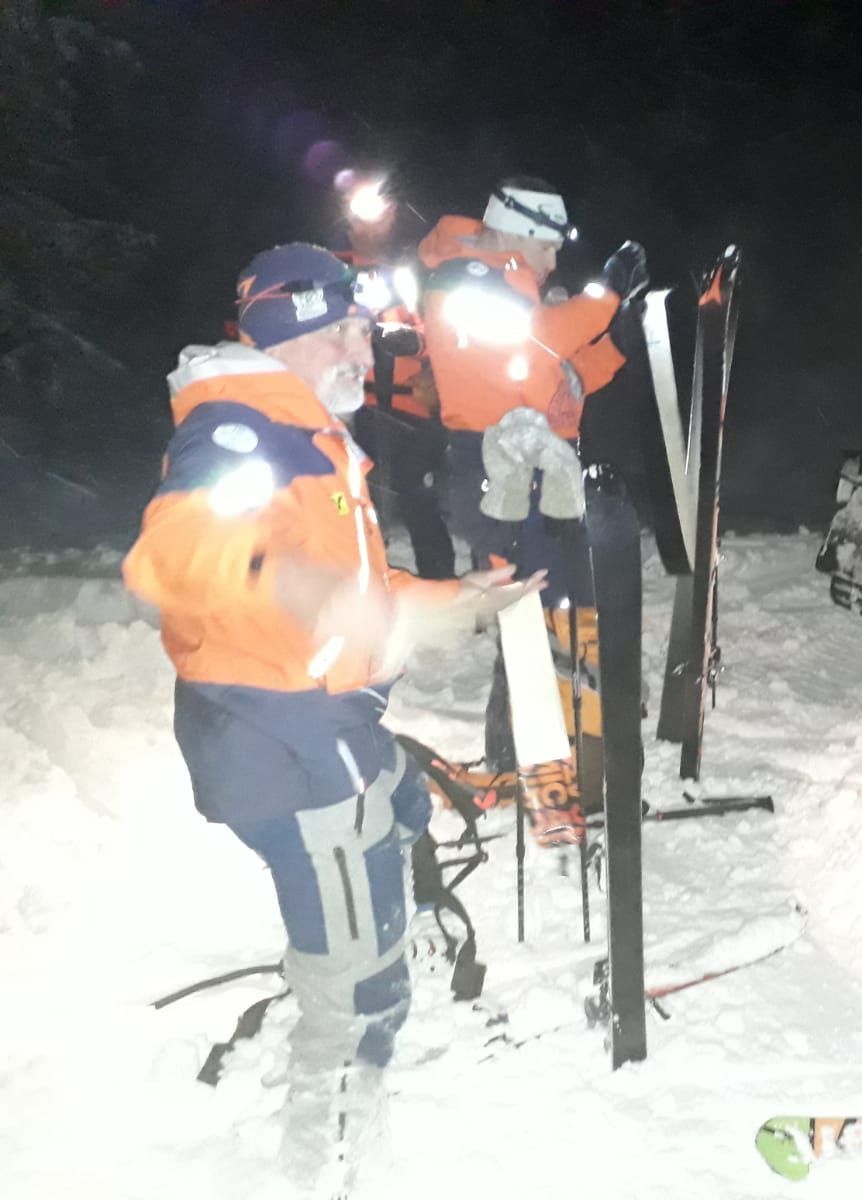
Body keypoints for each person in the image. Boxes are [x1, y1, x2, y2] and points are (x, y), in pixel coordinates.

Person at [122, 243, 537, 1187]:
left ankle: (382, 943)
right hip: (285, 741)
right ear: (292, 332)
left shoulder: (305, 431)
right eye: (346, 327)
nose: (367, 346)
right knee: (354, 988)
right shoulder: (241, 431)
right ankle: (334, 1144)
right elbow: (173, 556)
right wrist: (303, 585)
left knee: (401, 803)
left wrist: (455, 595)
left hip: (322, 728)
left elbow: (359, 588)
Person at [416, 176, 647, 786]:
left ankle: (567, 757)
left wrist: (618, 343)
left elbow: (561, 380)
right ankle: (529, 758)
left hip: (537, 465)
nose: (551, 264)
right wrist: (607, 297)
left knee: (558, 609)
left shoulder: (514, 296)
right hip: (491, 466)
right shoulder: (462, 280)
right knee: (532, 612)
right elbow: (539, 336)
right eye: (547, 248)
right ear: (519, 228)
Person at [336, 176, 456, 580]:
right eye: (362, 218)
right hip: (351, 411)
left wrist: (414, 344)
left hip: (410, 411)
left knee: (418, 498)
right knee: (345, 500)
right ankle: (356, 589)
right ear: (348, 223)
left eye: (381, 217)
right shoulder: (329, 271)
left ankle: (440, 590)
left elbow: (439, 333)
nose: (373, 228)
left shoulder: (409, 274)